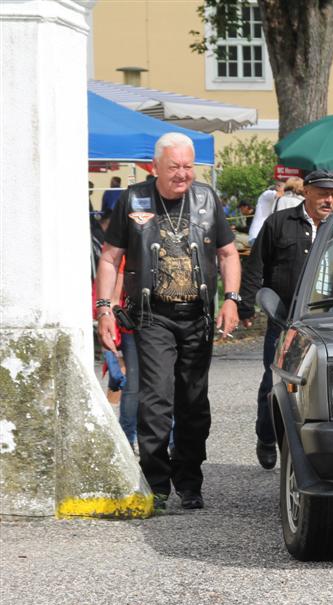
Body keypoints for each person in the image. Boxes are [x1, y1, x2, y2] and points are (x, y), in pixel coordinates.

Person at [95, 132, 241, 510]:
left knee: (194, 402)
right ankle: (157, 483)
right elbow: (110, 257)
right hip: (153, 315)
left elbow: (228, 253)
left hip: (197, 316)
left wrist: (231, 300)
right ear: (155, 167)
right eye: (174, 166)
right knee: (156, 400)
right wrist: (105, 309)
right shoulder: (134, 199)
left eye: (188, 166)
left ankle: (190, 482)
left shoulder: (207, 199)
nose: (183, 174)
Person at [239, 170, 333, 469]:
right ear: (306, 191)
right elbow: (256, 267)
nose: (329, 199)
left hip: (330, 321)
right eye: (323, 193)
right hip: (285, 320)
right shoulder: (279, 224)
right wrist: (246, 306)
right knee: (273, 382)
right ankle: (267, 436)